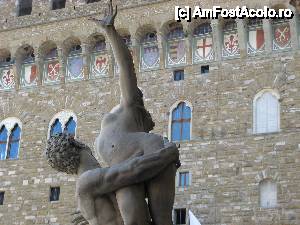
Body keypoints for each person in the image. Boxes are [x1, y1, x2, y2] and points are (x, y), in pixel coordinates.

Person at [89, 1, 178, 224]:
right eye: (150, 120)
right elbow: (127, 66)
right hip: (128, 163)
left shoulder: (132, 105)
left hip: (144, 154)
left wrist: (110, 32)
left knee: (160, 219)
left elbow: (126, 66)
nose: (152, 121)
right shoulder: (128, 110)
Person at [45, 133, 179, 225]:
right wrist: (168, 153)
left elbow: (137, 177)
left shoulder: (96, 182)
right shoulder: (86, 181)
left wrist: (165, 166)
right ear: (75, 142)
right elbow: (135, 169)